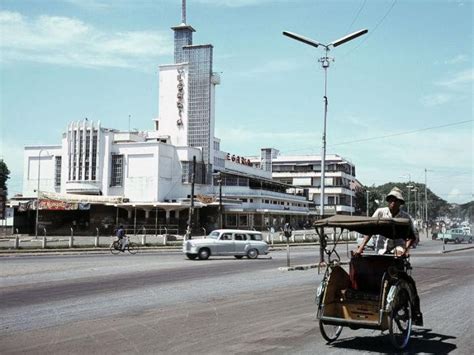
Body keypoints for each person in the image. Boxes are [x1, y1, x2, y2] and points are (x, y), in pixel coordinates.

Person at [355, 187, 418, 257]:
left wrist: (406, 249)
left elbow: (412, 236)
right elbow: (370, 230)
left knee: (398, 254)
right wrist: (361, 247)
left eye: (396, 200)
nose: (393, 203)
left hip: (398, 247)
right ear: (388, 201)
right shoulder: (380, 212)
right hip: (381, 248)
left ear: (400, 203)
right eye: (391, 200)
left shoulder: (405, 217)